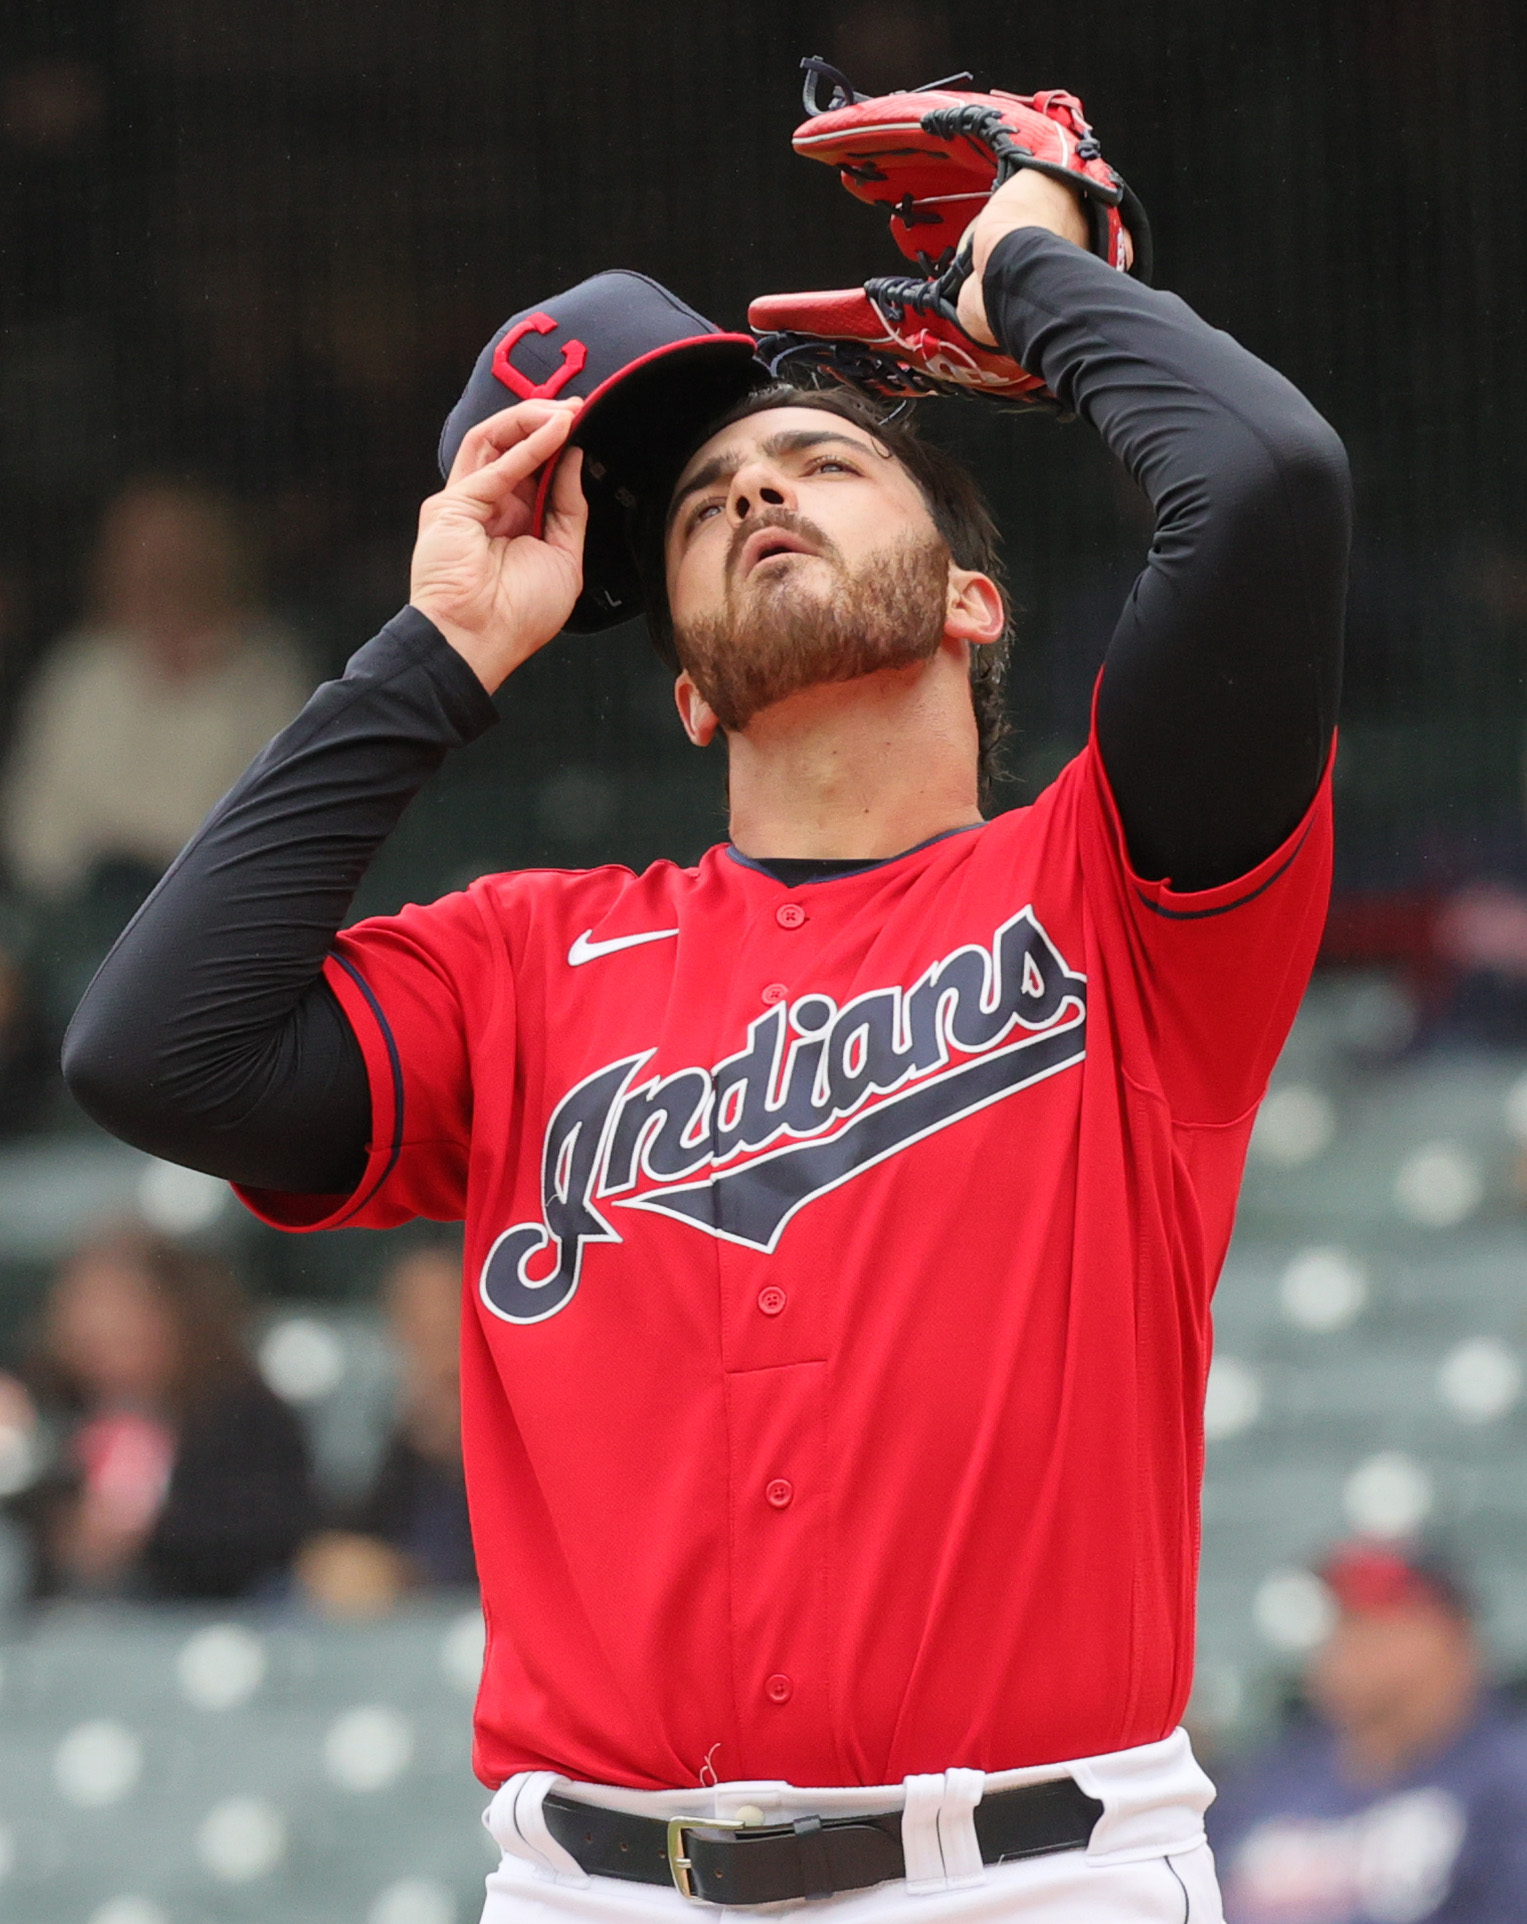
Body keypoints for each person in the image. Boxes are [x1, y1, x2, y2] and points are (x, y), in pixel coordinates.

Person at [61, 134, 1347, 1921]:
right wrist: (436, 651)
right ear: (682, 687)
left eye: (823, 459)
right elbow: (152, 1050)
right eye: (702, 504)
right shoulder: (523, 963)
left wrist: (1035, 279)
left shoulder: (1117, 895)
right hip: (597, 1882)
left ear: (973, 600)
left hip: (1028, 1875)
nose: (758, 495)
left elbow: (1265, 479)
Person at [0, 477, 309, 899]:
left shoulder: (268, 672)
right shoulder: (81, 670)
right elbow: (35, 831)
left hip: (211, 914)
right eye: (136, 549)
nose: (157, 571)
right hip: (81, 912)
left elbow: (272, 828)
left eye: (177, 549)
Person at [1210, 1543, 1527, 1922]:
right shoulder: (1269, 1780)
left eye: (1386, 1618)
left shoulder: (1508, 1783)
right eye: (1345, 1618)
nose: (1355, 1641)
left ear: (1457, 1639)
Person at [9, 1225, 314, 1600]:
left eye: (124, 1309)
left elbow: (266, 1537)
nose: (99, 1328)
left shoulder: (244, 1415)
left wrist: (143, 1536)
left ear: (178, 1314)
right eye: (83, 1308)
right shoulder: (50, 1407)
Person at [296, 1242, 475, 1615]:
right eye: (411, 1313)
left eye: (445, 1310)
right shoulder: (397, 1432)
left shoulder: (518, 1427)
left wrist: (407, 1576)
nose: (429, 1330)